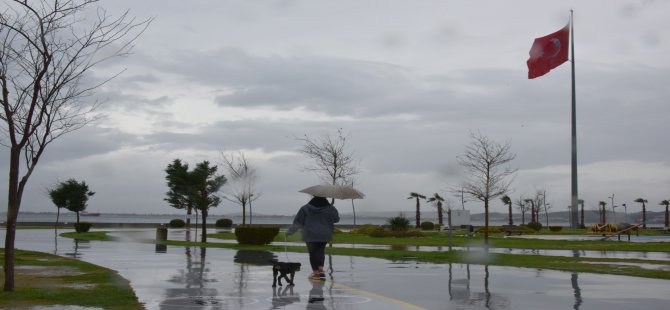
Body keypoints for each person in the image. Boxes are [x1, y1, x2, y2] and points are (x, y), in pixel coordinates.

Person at [286, 196, 339, 280]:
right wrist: (331, 210)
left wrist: (290, 231)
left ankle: (315, 272)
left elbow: (298, 222)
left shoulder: (305, 208)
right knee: (321, 250)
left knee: (312, 252)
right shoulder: (330, 208)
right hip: (324, 233)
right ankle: (320, 269)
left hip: (310, 233)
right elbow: (336, 219)